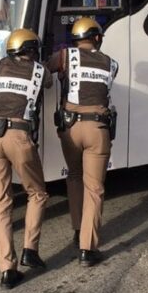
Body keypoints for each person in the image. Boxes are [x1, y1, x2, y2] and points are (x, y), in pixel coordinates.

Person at [47, 17, 118, 267]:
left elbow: (45, 72)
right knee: (95, 188)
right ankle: (88, 249)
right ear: (96, 38)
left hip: (70, 128)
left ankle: (78, 230)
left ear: (76, 39)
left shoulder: (65, 56)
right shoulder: (111, 63)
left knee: (74, 176)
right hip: (97, 129)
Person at [0, 29, 50, 289]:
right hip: (19, 137)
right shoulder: (38, 69)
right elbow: (49, 84)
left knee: (1, 204)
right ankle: (30, 250)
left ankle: (7, 270)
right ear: (32, 50)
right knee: (37, 193)